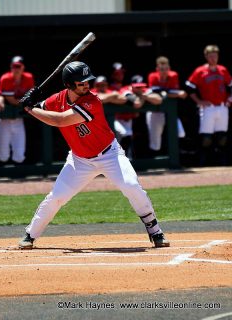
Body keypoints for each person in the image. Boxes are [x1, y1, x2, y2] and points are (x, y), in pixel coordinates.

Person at [18, 61, 170, 250]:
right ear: (69, 85)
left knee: (131, 186)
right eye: (81, 83)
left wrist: (30, 108)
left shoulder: (92, 101)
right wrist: (31, 102)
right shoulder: (57, 99)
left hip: (110, 155)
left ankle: (155, 231)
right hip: (79, 160)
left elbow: (59, 120)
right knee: (57, 197)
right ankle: (30, 235)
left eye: (87, 81)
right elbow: (41, 108)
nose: (86, 85)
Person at [186, 45, 232, 166]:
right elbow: (189, 87)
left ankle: (223, 163)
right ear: (206, 56)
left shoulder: (223, 70)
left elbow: (230, 85)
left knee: (222, 137)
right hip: (208, 107)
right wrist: (199, 101)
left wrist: (229, 99)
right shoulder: (200, 71)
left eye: (215, 56)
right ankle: (204, 163)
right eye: (210, 56)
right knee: (206, 138)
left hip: (222, 106)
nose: (213, 58)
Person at [0, 55, 35, 164]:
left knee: (19, 154)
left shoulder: (28, 77)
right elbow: (11, 100)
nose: (16, 69)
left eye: (19, 66)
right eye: (14, 66)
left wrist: (27, 102)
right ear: (11, 67)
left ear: (23, 67)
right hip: (4, 118)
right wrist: (25, 103)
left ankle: (17, 177)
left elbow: (30, 97)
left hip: (18, 117)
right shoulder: (6, 78)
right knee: (3, 155)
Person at [147, 56, 187, 156]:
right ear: (157, 69)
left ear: (169, 68)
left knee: (180, 133)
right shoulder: (152, 76)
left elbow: (179, 93)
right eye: (161, 69)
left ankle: (177, 157)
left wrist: (167, 93)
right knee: (155, 141)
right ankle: (155, 162)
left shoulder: (173, 75)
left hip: (170, 112)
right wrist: (172, 93)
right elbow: (155, 92)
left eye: (166, 69)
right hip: (155, 111)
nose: (164, 71)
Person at [116, 75, 163, 158]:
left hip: (130, 120)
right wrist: (144, 96)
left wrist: (144, 96)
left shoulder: (143, 91)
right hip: (119, 120)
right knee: (122, 140)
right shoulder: (125, 90)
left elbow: (159, 100)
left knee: (129, 138)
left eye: (141, 87)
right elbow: (137, 104)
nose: (140, 89)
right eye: (137, 87)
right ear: (131, 86)